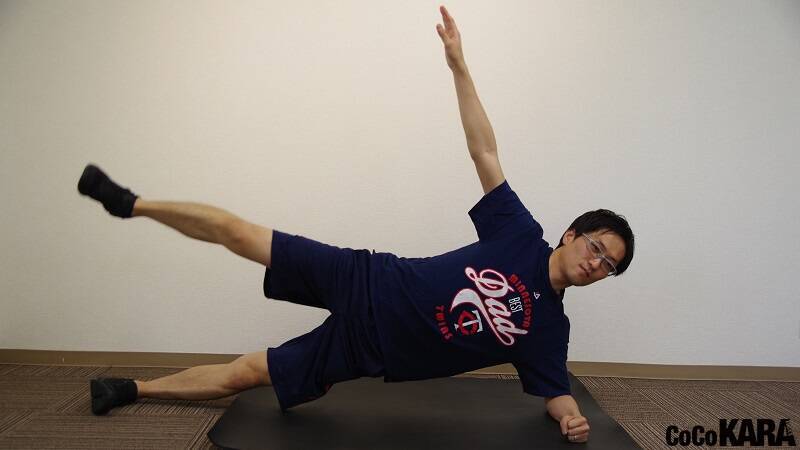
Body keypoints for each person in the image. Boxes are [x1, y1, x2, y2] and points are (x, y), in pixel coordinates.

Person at [79, 6, 634, 445]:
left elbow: (555, 391)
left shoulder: (549, 330)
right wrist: (459, 67)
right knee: (244, 235)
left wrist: (570, 417)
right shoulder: (518, 233)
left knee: (248, 373)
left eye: (609, 266)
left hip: (367, 349)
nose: (596, 264)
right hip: (366, 278)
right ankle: (133, 203)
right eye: (596, 247)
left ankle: (130, 388)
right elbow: (485, 152)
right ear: (571, 234)